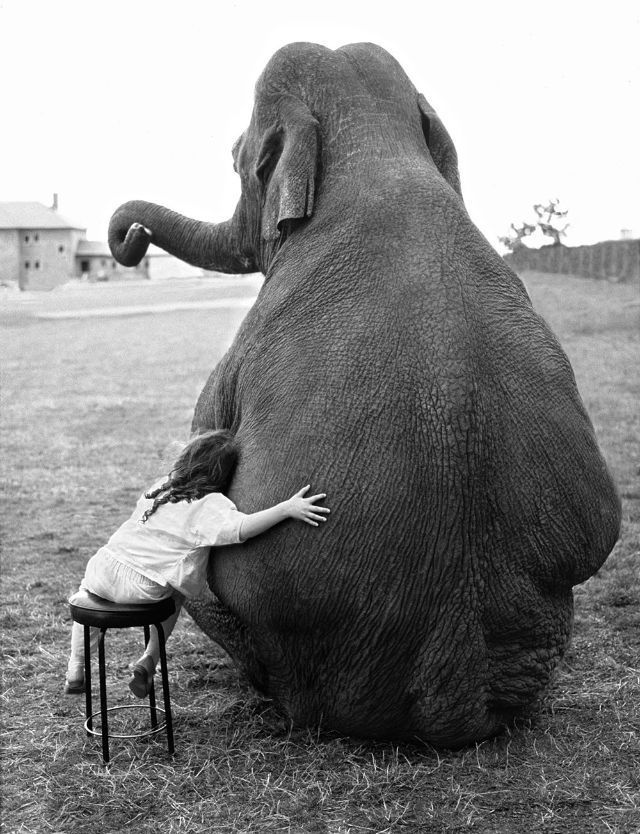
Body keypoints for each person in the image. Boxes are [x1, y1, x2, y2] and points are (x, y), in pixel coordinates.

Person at [65, 429, 330, 698]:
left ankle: (76, 668)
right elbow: (242, 529)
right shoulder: (209, 504)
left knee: (86, 594)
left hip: (104, 567)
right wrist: (287, 508)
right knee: (176, 594)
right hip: (143, 586)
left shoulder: (162, 486)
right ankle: (149, 660)